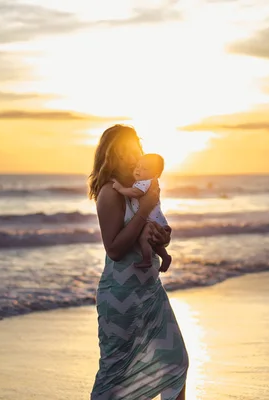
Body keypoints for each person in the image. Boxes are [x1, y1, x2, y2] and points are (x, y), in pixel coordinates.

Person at [88, 125, 188, 400]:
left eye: (137, 149)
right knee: (114, 379)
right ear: (113, 154)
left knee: (175, 363)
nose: (135, 156)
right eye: (128, 150)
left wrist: (163, 235)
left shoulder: (142, 188)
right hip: (122, 297)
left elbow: (153, 230)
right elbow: (115, 249)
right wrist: (143, 212)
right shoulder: (111, 192)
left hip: (150, 291)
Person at [112, 153, 172, 271]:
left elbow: (135, 193)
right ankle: (165, 257)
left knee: (143, 238)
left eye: (144, 168)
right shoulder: (147, 182)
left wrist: (120, 189)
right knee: (154, 242)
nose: (139, 169)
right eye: (138, 166)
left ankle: (147, 260)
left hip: (150, 220)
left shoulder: (146, 182)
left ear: (155, 174)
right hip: (155, 220)